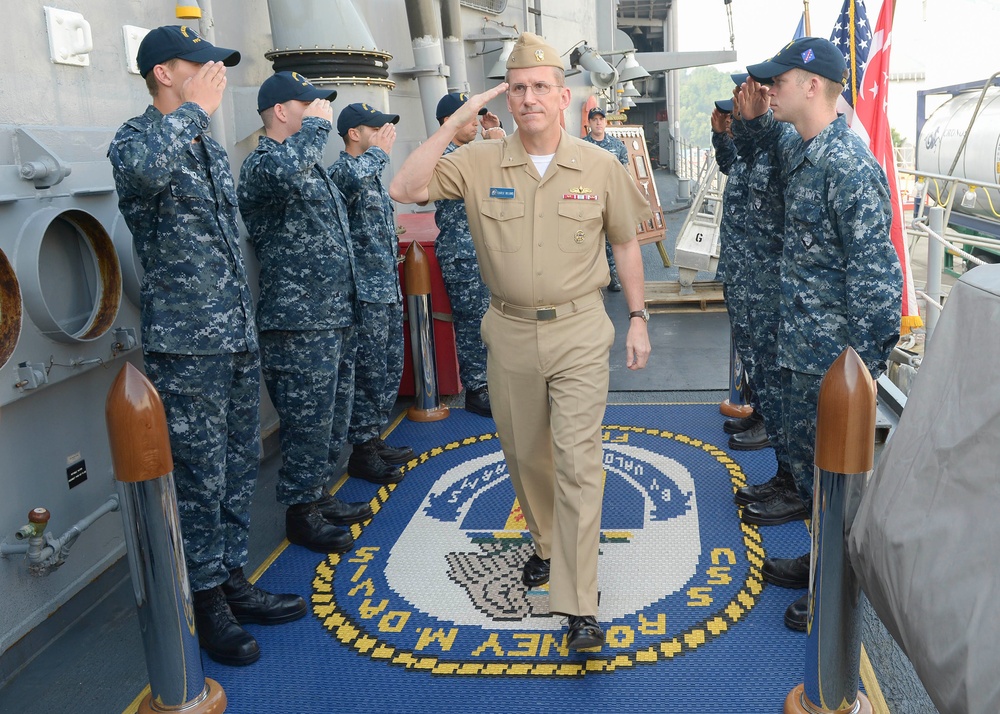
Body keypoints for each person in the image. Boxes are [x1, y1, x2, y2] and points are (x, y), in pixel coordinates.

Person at [389, 32, 652, 651]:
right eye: (518, 87)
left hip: (582, 329)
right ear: (505, 98)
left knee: (579, 463)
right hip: (507, 331)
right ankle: (544, 545)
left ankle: (578, 602)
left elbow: (623, 243)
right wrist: (455, 122)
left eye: (541, 87)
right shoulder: (478, 161)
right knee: (526, 454)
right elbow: (405, 187)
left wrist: (637, 316)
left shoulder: (599, 165)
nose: (530, 97)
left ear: (564, 97)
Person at [108, 26, 304, 667]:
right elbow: (142, 175)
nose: (216, 74)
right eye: (204, 65)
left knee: (237, 464)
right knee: (196, 475)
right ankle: (204, 598)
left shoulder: (207, 148)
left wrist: (198, 118)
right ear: (164, 73)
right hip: (187, 343)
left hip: (235, 334)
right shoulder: (138, 139)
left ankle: (230, 577)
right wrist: (195, 111)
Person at [737, 37, 902, 630]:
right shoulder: (804, 151)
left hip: (834, 363)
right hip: (801, 351)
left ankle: (836, 594)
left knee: (839, 479)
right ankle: (820, 561)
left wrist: (860, 374)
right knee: (814, 476)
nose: (768, 89)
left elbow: (878, 279)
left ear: (812, 86)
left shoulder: (848, 165)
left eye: (777, 80)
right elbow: (753, 144)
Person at [237, 72, 373, 555]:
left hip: (333, 313)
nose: (321, 111)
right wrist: (317, 130)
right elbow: (283, 174)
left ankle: (317, 494)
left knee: (332, 415)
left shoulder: (309, 167)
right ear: (281, 111)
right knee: (307, 420)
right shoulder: (264, 164)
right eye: (309, 104)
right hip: (297, 322)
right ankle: (300, 513)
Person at [713, 82, 803, 523]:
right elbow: (735, 161)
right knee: (758, 365)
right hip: (746, 269)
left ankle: (791, 479)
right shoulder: (759, 150)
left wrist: (752, 124)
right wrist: (723, 135)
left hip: (771, 283)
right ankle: (783, 468)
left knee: (778, 382)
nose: (735, 113)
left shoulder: (788, 147)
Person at [330, 103, 413, 485]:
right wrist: (379, 153)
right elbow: (348, 182)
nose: (384, 133)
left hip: (385, 289)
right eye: (375, 128)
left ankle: (373, 438)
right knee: (367, 372)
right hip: (363, 294)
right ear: (353, 134)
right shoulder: (342, 172)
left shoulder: (374, 174)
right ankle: (362, 450)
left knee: (386, 368)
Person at [432, 92, 506, 418]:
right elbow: (477, 179)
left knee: (491, 320)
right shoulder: (445, 155)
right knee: (472, 323)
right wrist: (493, 143)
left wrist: (497, 137)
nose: (477, 124)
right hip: (462, 253)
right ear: (449, 123)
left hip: (484, 251)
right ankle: (476, 389)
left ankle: (492, 381)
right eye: (470, 118)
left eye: (478, 118)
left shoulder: (471, 152)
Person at [581, 106, 627, 291]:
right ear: (589, 123)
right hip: (589, 197)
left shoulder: (618, 146)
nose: (598, 122)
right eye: (595, 119)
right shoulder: (582, 147)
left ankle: (613, 275)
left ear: (605, 122)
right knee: (588, 237)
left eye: (601, 119)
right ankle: (589, 278)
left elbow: (625, 174)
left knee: (613, 238)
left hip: (612, 197)